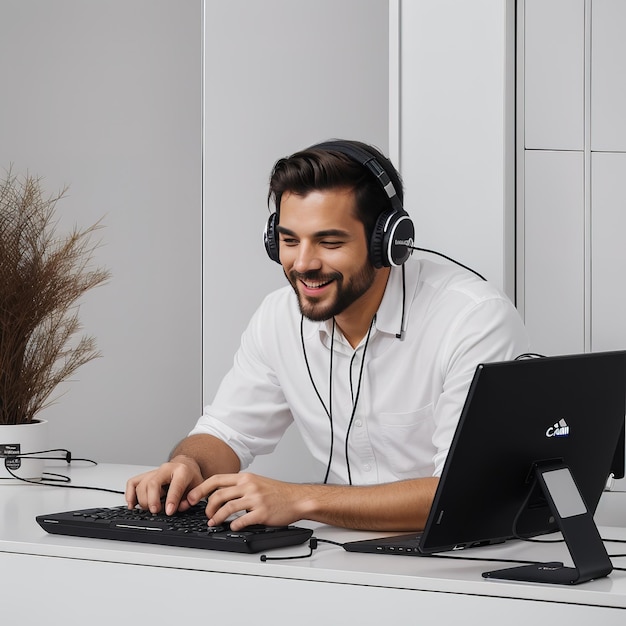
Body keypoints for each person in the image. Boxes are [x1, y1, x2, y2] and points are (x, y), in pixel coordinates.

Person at [125, 139, 529, 532]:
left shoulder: (472, 320)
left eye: (329, 242)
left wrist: (301, 500)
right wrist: (187, 466)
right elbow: (226, 433)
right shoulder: (277, 318)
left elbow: (466, 494)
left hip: (468, 563)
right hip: (341, 560)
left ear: (387, 243)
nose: (303, 264)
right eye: (288, 241)